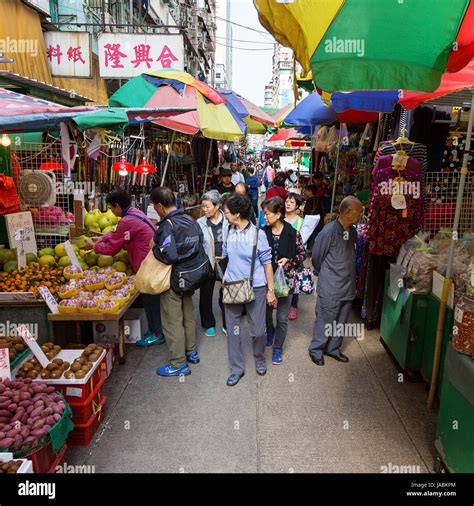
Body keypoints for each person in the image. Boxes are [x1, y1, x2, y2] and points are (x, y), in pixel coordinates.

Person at [81, 190, 164, 348]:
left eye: (111, 208)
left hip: (146, 264)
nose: (111, 211)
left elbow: (112, 248)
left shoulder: (127, 221)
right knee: (151, 300)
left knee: (150, 300)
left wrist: (94, 246)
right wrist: (102, 238)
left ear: (117, 206)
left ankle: (156, 334)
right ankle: (156, 330)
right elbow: (119, 234)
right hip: (151, 261)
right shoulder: (134, 212)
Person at [221, 194, 276, 386]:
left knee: (259, 330)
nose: (225, 215)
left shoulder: (258, 234)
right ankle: (236, 368)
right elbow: (226, 257)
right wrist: (224, 277)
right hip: (232, 287)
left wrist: (271, 290)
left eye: (227, 212)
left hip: (256, 287)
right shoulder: (227, 230)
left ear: (237, 214)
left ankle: (259, 358)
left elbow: (268, 264)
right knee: (233, 330)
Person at [150, 187, 204, 377]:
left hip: (174, 279)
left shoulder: (167, 226)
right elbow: (200, 243)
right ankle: (192, 353)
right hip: (190, 277)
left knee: (173, 321)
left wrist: (155, 250)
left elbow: (169, 255)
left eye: (154, 207)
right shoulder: (191, 220)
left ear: (159, 206)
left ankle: (178, 363)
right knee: (187, 315)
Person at [308, 196, 363, 366]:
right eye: (359, 211)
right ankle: (316, 350)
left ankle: (333, 348)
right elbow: (316, 258)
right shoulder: (328, 232)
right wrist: (327, 273)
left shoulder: (353, 232)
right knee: (325, 319)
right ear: (348, 212)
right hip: (331, 286)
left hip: (347, 285)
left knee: (341, 320)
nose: (361, 215)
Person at [262, 197, 305, 364]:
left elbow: (301, 255)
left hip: (286, 281)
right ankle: (270, 332)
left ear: (278, 214)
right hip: (266, 282)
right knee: (266, 315)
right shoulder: (262, 232)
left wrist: (289, 259)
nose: (264, 217)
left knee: (282, 318)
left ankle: (278, 348)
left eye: (267, 214)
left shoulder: (292, 233)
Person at [197, 190, 228, 337]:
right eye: (203, 207)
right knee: (205, 294)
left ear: (217, 206)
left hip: (226, 261)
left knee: (227, 292)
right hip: (208, 262)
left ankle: (228, 322)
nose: (205, 210)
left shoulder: (228, 220)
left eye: (207, 206)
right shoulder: (200, 223)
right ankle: (208, 323)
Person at [284, 192, 305, 321]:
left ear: (297, 205)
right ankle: (279, 299)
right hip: (281, 255)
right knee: (279, 278)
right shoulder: (280, 218)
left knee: (295, 282)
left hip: (295, 257)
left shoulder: (301, 222)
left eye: (292, 202)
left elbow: (304, 242)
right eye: (287, 201)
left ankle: (293, 306)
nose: (288, 204)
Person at [303, 183, 325, 250]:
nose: (304, 192)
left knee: (312, 236)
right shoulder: (318, 200)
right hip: (319, 221)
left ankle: (313, 251)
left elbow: (307, 212)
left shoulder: (310, 200)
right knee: (315, 237)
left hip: (312, 222)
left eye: (306, 190)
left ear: (310, 191)